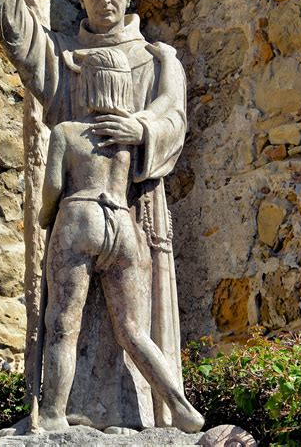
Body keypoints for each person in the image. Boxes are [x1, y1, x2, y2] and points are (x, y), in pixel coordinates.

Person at [0, 0, 194, 430]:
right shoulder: (66, 57)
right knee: (105, 322)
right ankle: (66, 410)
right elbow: (23, 42)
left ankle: (149, 415)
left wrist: (139, 128)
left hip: (135, 206)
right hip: (109, 215)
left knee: (105, 323)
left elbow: (175, 118)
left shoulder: (158, 57)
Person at [37, 47, 203, 433]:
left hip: (80, 219)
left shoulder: (67, 133)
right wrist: (168, 63)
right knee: (132, 330)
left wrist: (49, 217)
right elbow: (165, 106)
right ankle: (181, 408)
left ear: (90, 84)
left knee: (63, 323)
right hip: (122, 226)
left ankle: (51, 415)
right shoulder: (128, 136)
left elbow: (53, 190)